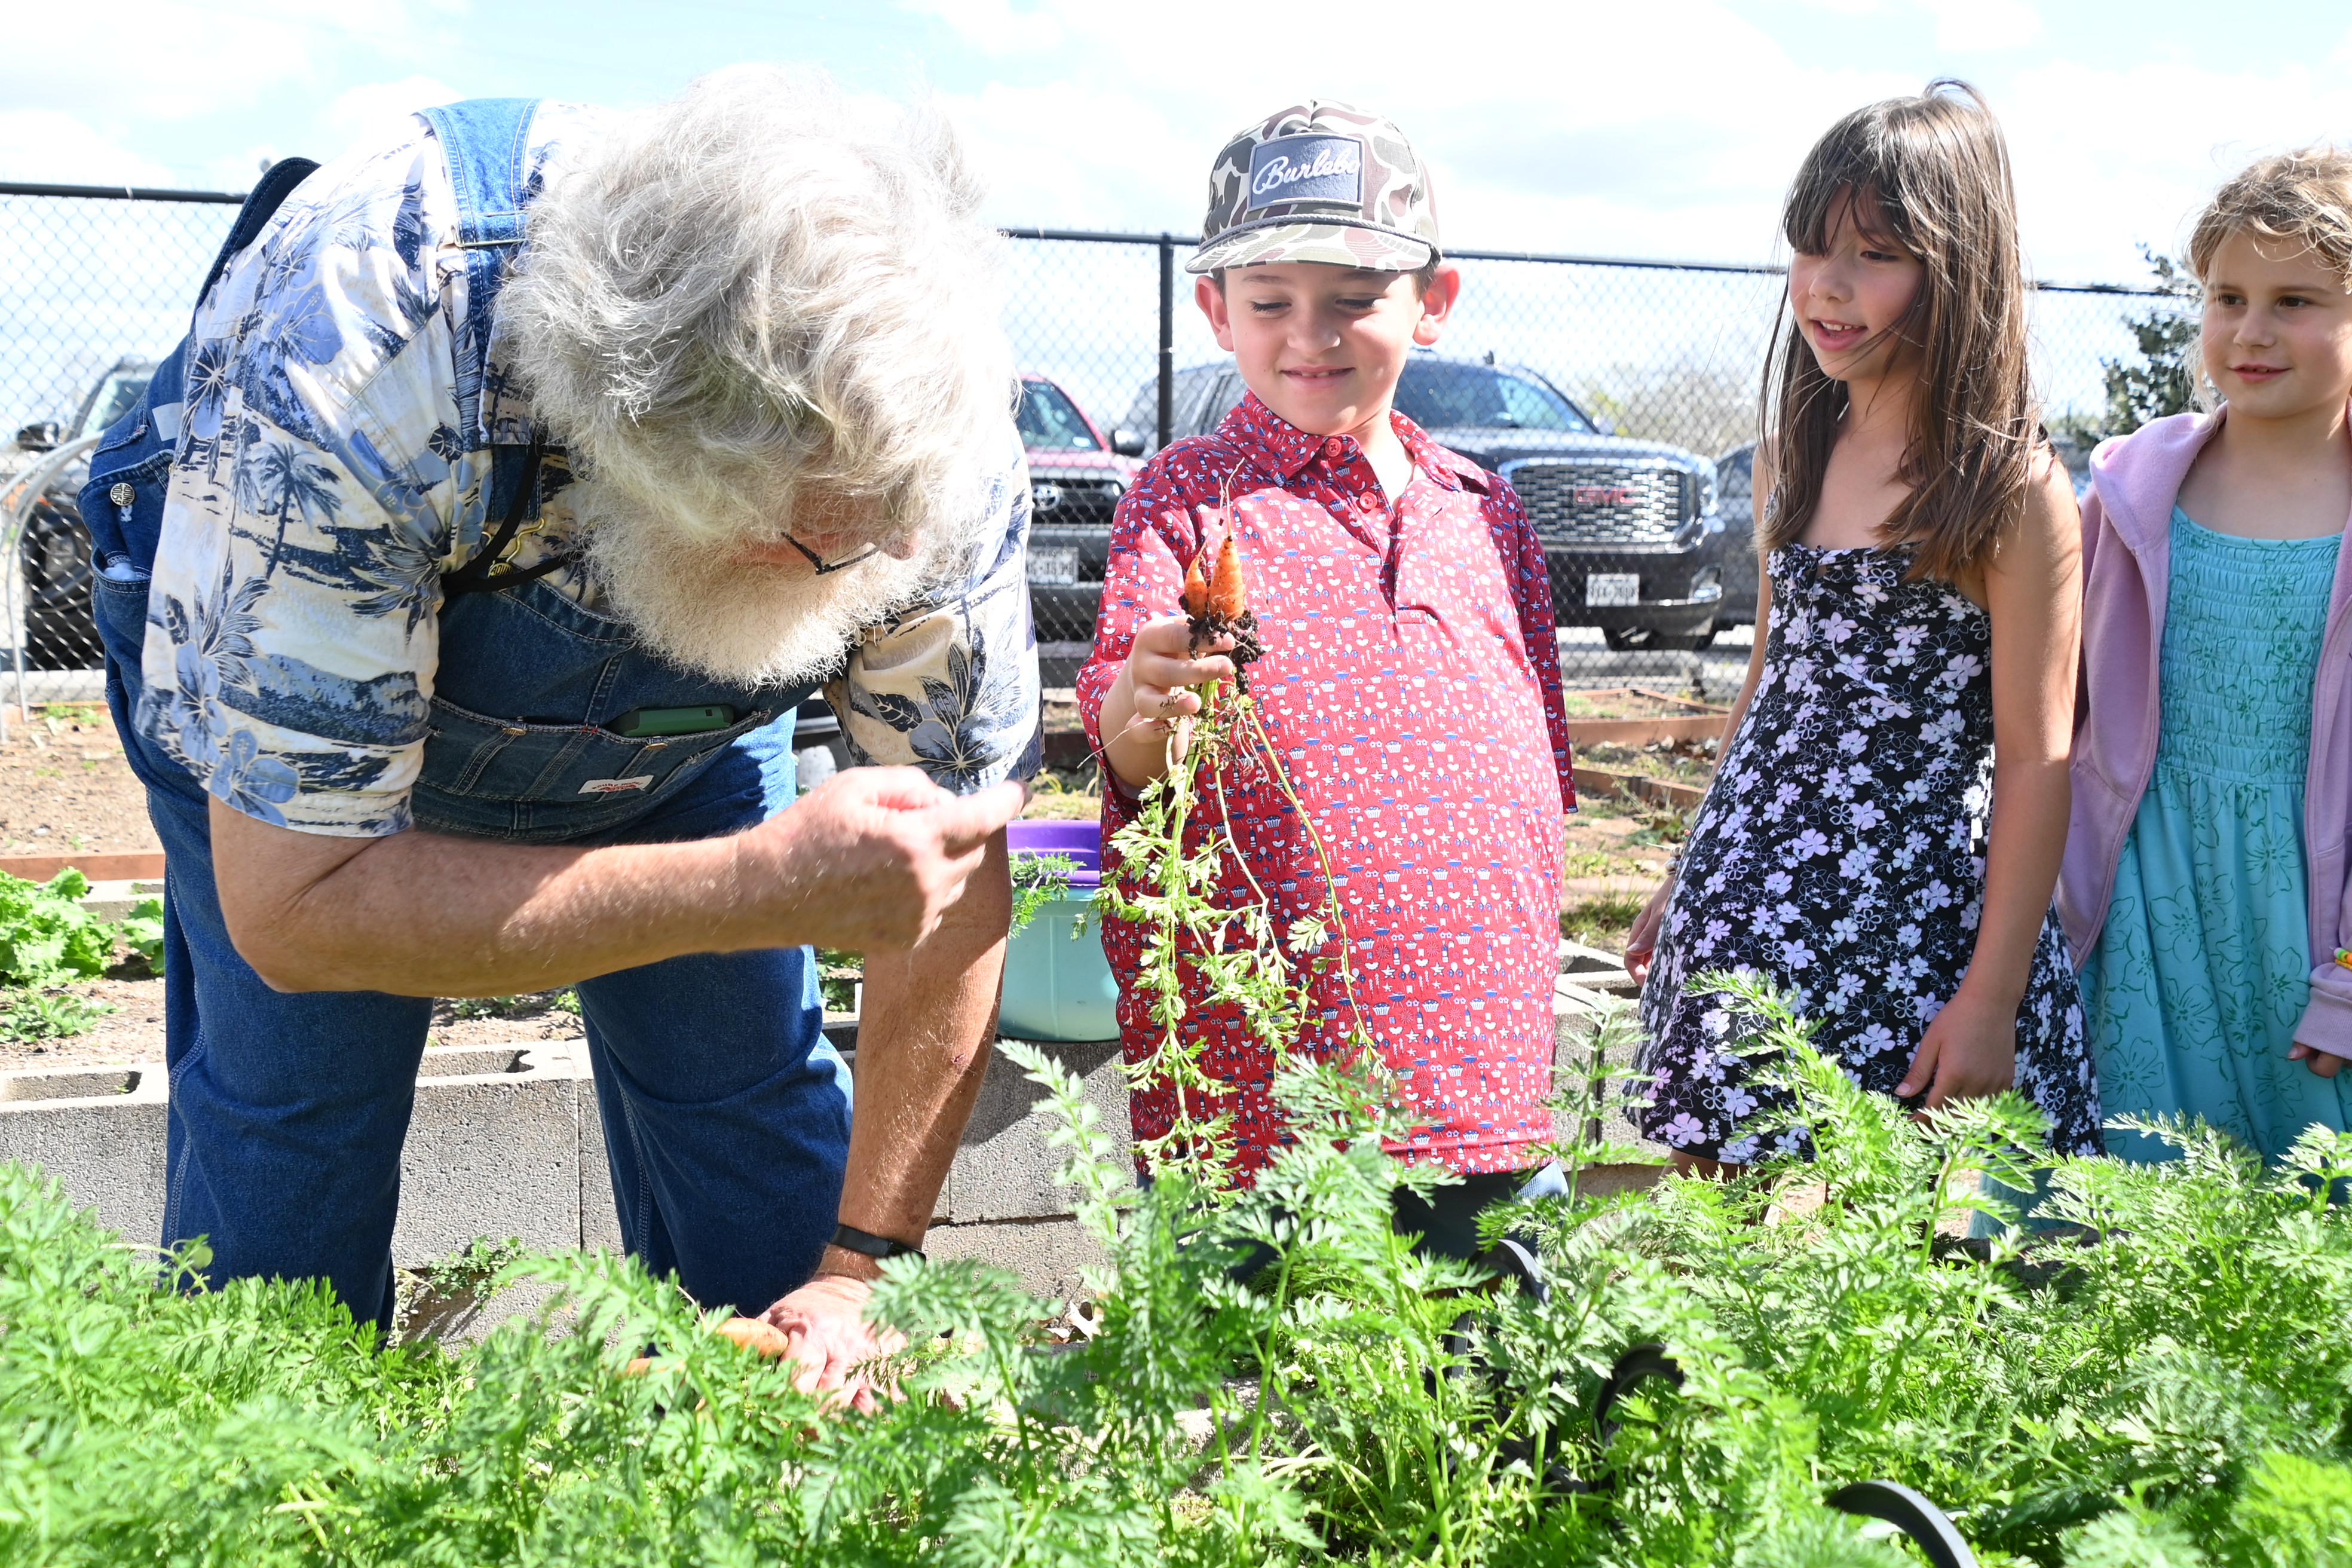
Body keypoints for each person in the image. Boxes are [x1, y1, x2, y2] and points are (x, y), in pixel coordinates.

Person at [76, 70, 1038, 1388]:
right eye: (830, 538)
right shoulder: (370, 343)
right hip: (297, 740)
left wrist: (860, 1267)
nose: (890, 561)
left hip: (679, 720)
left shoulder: (921, 426)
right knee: (293, 1152)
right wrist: (751, 887)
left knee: (758, 1148)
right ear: (659, 479)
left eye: (900, 522)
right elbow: (298, 912)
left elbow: (957, 866)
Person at [1077, 102, 1576, 1252]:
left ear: (1432, 306)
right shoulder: (1184, 500)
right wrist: (1144, 713)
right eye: (1270, 303)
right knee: (1263, 1412)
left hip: (1478, 1073)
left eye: (1355, 297)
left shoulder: (1485, 513)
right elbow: (1130, 758)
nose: (1313, 333)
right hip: (1261, 1088)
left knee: (1491, 1405)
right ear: (1216, 313)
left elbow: (1542, 765)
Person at [1624, 82, 2100, 1170]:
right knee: (1717, 1228)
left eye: (1876, 256)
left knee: (1943, 1262)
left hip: (1922, 917)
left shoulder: (2013, 489)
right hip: (1754, 892)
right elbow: (1766, 681)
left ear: (1960, 270)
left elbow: (2038, 759)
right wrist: (1688, 868)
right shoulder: (1795, 451)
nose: (1828, 288)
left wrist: (1992, 998)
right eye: (1810, 247)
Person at [2060, 148, 2352, 1162]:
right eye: (2228, 295)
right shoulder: (2130, 494)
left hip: (2317, 938)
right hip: (2142, 906)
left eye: (2297, 300)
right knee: (2127, 1221)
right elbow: (2062, 715)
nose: (2252, 330)